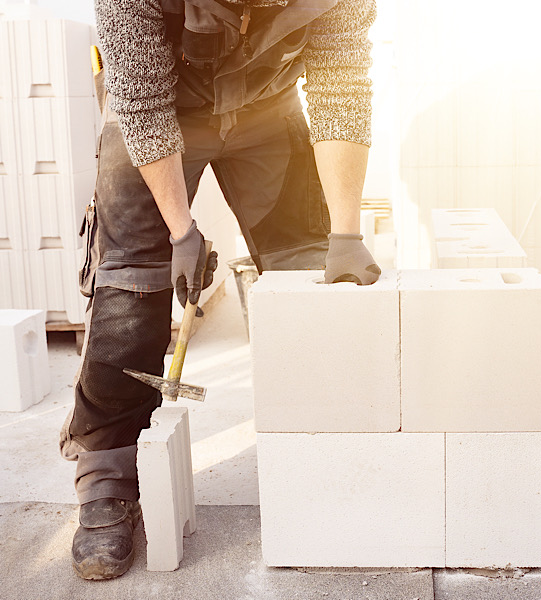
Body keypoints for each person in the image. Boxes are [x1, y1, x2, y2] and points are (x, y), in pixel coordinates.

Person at [60, 0, 380, 580]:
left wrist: (347, 232)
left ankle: (327, 444)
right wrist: (182, 232)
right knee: (131, 293)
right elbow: (143, 104)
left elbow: (342, 85)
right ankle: (106, 476)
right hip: (156, 115)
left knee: (308, 278)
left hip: (267, 113)